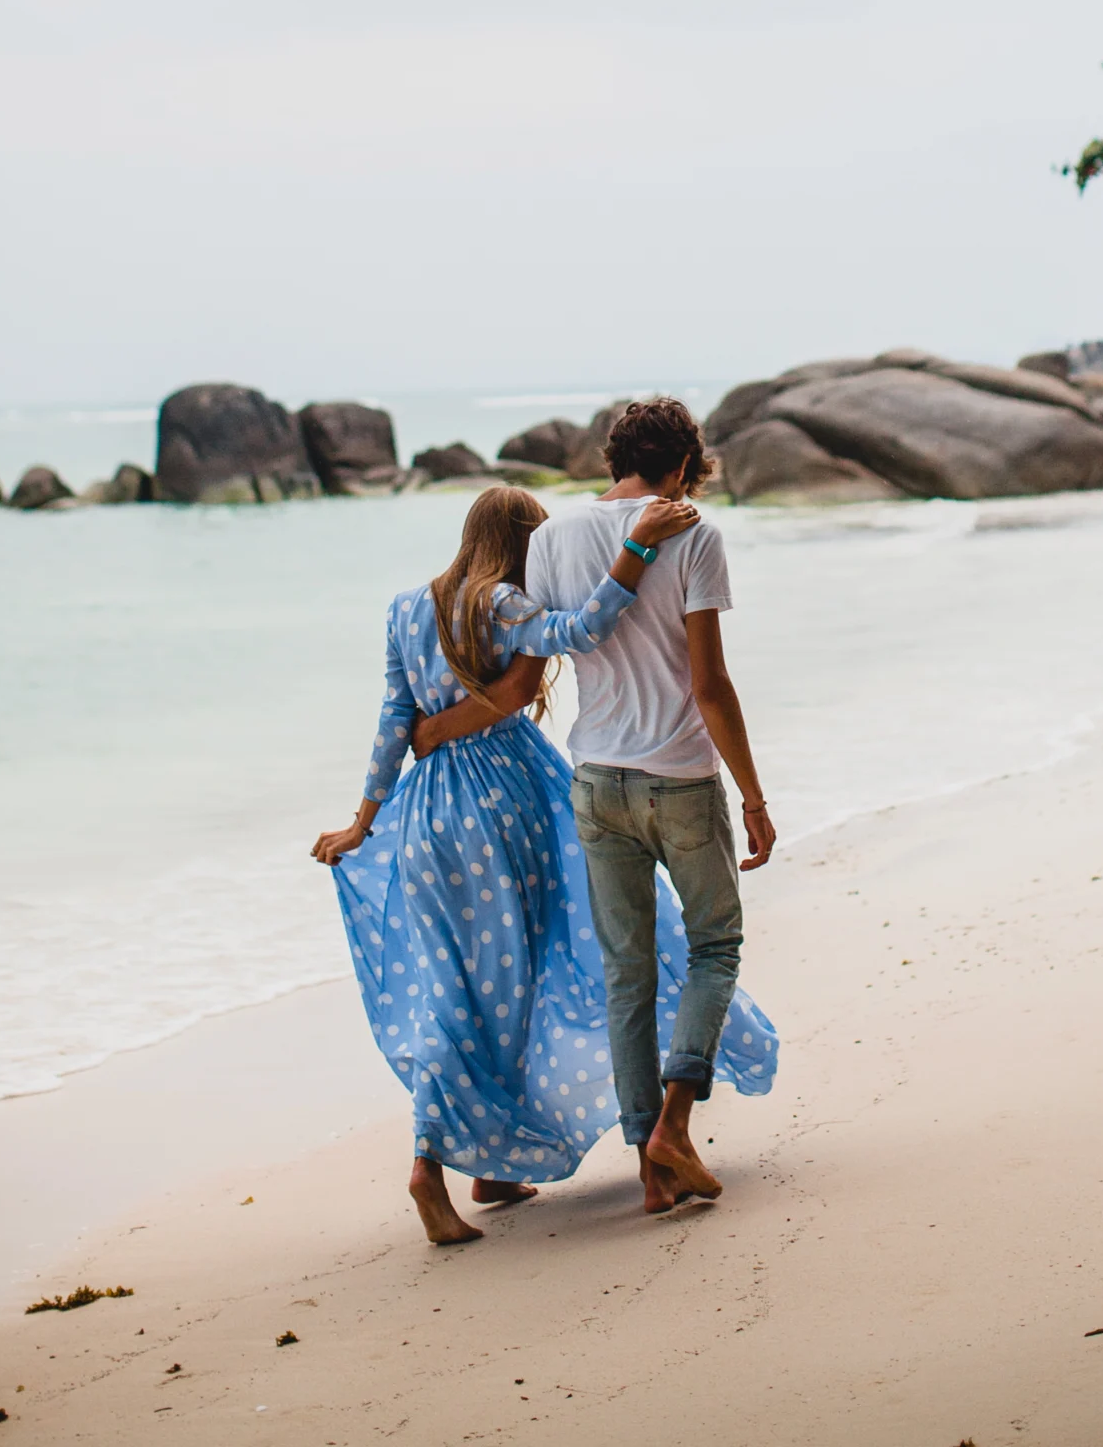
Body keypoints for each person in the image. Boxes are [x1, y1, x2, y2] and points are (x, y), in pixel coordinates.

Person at [310, 484, 773, 1246]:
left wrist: (365, 819)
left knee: (455, 992)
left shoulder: (403, 607)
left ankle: (475, 1167)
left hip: (427, 814)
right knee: (525, 980)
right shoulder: (502, 605)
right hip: (505, 804)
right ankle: (439, 1166)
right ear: (522, 543)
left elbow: (397, 720)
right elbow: (586, 625)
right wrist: (637, 550)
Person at [414, 399, 778, 1215]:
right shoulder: (692, 532)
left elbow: (545, 652)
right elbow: (708, 684)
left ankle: (651, 1170)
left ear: (614, 459)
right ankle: (672, 1132)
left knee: (627, 975)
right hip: (678, 776)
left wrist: (434, 727)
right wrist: (752, 794)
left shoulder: (548, 540)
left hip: (594, 779)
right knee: (715, 948)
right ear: (682, 466)